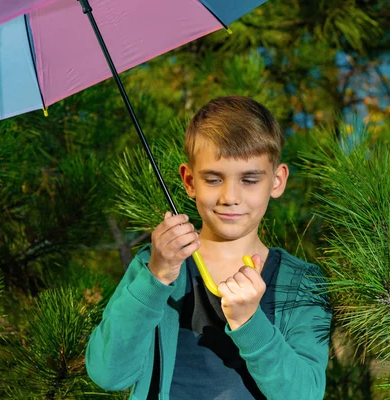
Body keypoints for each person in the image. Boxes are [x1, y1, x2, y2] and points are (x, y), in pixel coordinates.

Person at [86, 96, 332, 400]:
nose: (230, 196)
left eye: (250, 179)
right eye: (213, 179)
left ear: (277, 181)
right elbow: (108, 373)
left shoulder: (303, 284)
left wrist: (248, 322)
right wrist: (157, 278)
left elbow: (304, 394)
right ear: (189, 181)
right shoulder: (154, 266)